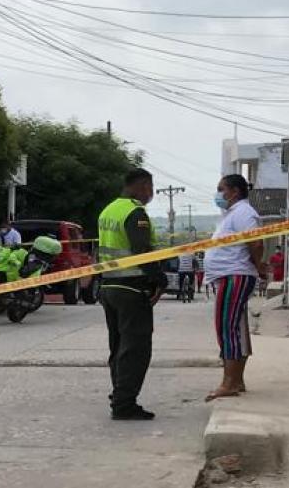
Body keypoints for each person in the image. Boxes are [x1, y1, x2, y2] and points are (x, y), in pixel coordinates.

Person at [97, 168, 168, 421]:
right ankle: (124, 403)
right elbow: (142, 251)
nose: (151, 194)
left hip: (109, 286)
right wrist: (160, 279)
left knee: (117, 346)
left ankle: (119, 393)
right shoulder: (135, 212)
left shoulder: (108, 210)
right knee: (135, 348)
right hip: (131, 288)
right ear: (141, 186)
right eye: (150, 188)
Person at [204, 174, 265, 402]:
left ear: (235, 191)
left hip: (235, 276)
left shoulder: (244, 213)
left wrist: (259, 267)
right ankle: (236, 379)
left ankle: (228, 383)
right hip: (230, 276)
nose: (218, 194)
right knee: (235, 328)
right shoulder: (232, 214)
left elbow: (256, 243)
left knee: (226, 327)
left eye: (221, 189)